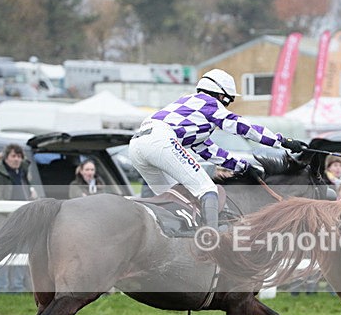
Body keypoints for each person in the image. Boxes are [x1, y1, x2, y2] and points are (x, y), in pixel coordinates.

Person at [128, 68, 307, 230]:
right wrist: (281, 141)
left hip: (136, 146)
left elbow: (208, 150)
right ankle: (211, 239)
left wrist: (242, 167)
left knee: (172, 198)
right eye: (228, 102)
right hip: (160, 141)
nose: (226, 107)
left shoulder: (189, 106)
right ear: (222, 96)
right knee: (207, 190)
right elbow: (243, 127)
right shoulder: (209, 103)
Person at [0, 143, 37, 293]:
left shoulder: (23, 173)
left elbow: (27, 194)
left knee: (21, 254)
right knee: (2, 255)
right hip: (5, 222)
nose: (16, 159)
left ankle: (17, 288)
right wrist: (14, 213)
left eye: (19, 156)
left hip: (24, 221)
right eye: (13, 156)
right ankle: (2, 288)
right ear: (6, 157)